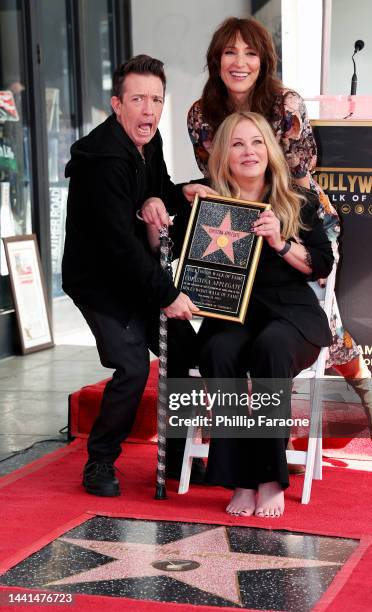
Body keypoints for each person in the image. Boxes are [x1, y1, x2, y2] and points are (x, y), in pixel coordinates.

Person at [186, 16, 372, 443]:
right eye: (230, 52)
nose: (240, 62)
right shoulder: (201, 115)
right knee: (236, 312)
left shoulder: (286, 105)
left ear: (264, 60)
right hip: (240, 219)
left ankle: (366, 388)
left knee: (318, 311)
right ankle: (241, 423)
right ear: (216, 60)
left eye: (250, 53)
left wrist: (283, 235)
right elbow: (218, 181)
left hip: (295, 212)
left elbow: (298, 180)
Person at [62, 55, 211, 497]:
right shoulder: (102, 160)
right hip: (100, 279)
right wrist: (166, 295)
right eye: (138, 99)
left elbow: (155, 186)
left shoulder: (150, 139)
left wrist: (177, 193)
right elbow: (119, 246)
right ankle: (100, 463)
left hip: (134, 271)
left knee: (182, 347)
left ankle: (179, 460)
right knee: (130, 366)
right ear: (116, 104)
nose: (149, 110)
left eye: (156, 100)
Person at [193, 111, 333, 517]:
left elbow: (322, 263)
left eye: (256, 142)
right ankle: (240, 479)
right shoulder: (210, 202)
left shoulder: (296, 200)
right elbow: (178, 255)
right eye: (237, 143)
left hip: (291, 318)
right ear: (224, 154)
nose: (248, 151)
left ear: (269, 150)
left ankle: (270, 477)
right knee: (218, 350)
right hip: (234, 317)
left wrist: (281, 243)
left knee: (271, 346)